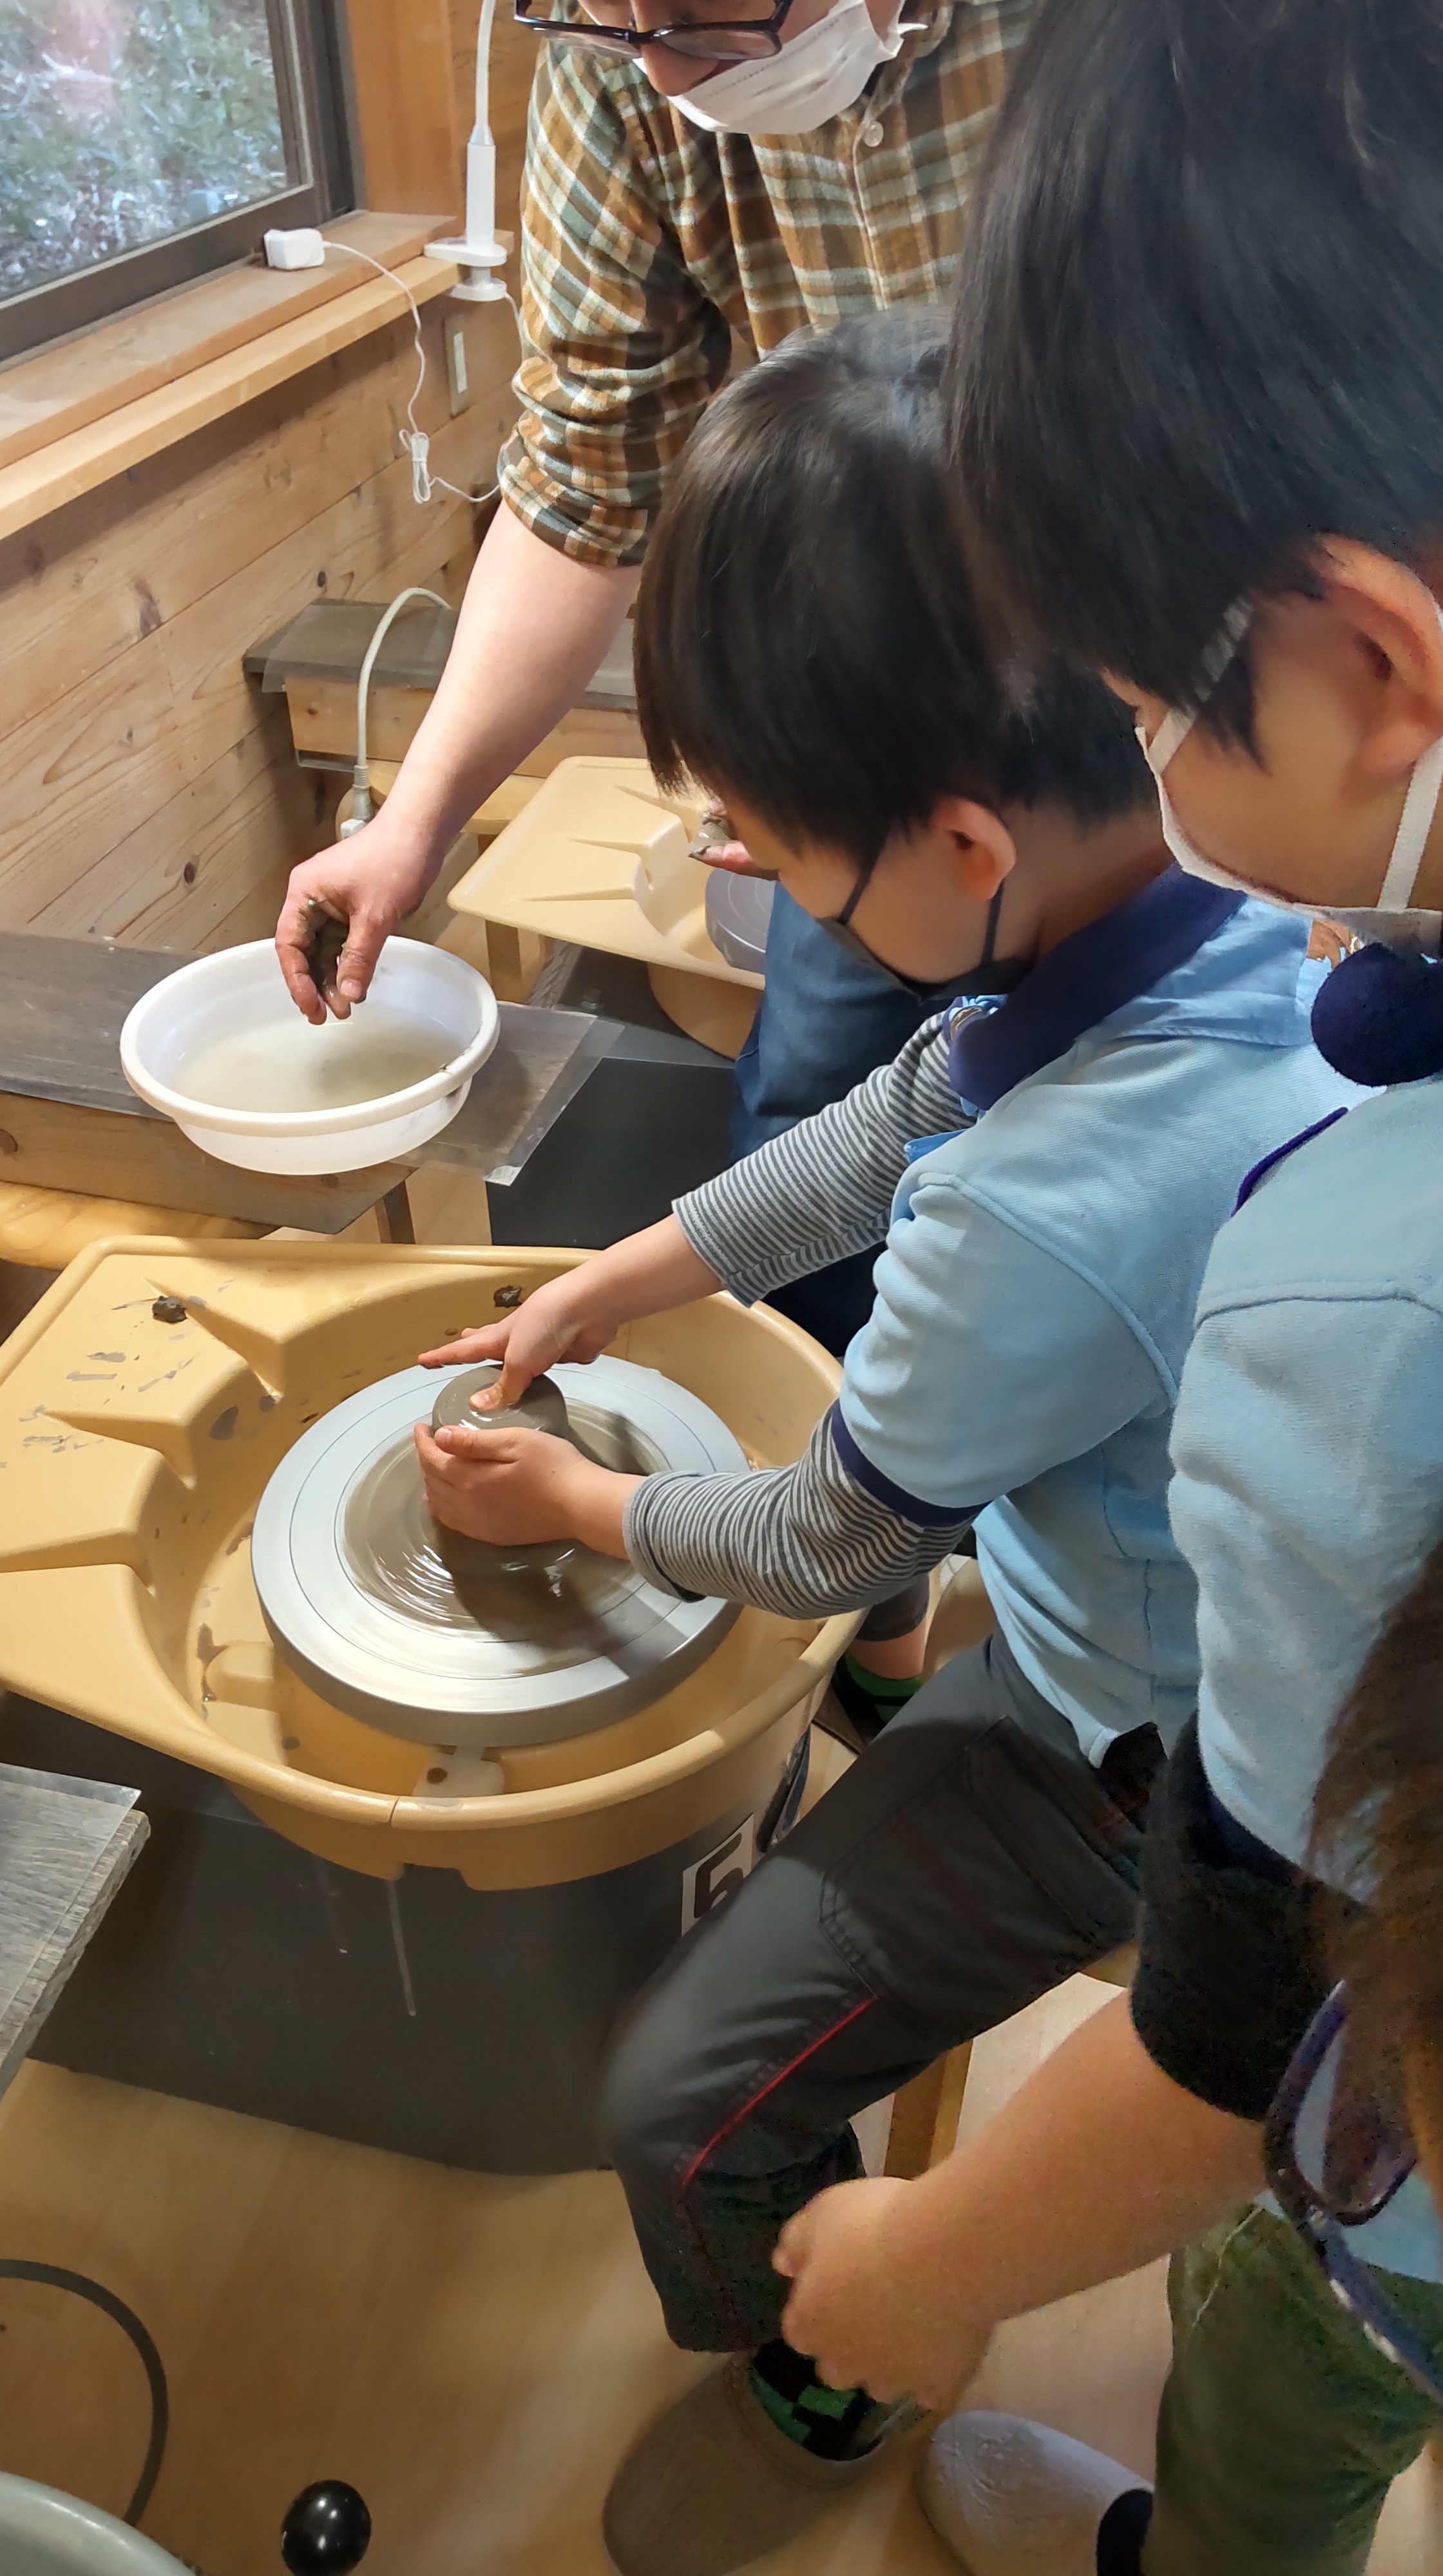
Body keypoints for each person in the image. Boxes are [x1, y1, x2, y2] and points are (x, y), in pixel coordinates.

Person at [406, 308, 1354, 2576]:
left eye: (771, 854)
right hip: (1150, 1590)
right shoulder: (1201, 883)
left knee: (674, 2095)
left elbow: (831, 1537)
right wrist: (626, 1277)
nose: (754, 877)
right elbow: (884, 1120)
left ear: (956, 840)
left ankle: (829, 2355)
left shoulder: (1053, 1209)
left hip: (1154, 1756)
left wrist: (583, 1501)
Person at [767, 6, 1443, 2573]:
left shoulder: (1340, 1322)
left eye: (1157, 697)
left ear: (1369, 666)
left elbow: (1236, 2022)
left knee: (1278, 2358)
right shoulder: (1193, 1000)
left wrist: (927, 2259)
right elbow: (879, 1121)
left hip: (1366, 2120)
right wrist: (646, 1265)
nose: (1149, 756)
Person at [273, 0, 1038, 1352]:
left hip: (1147, 688)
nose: (664, 65)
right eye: (609, 22)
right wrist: (413, 821)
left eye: (705, 17)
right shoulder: (620, 64)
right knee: (817, 1111)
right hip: (871, 721)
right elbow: (587, 481)